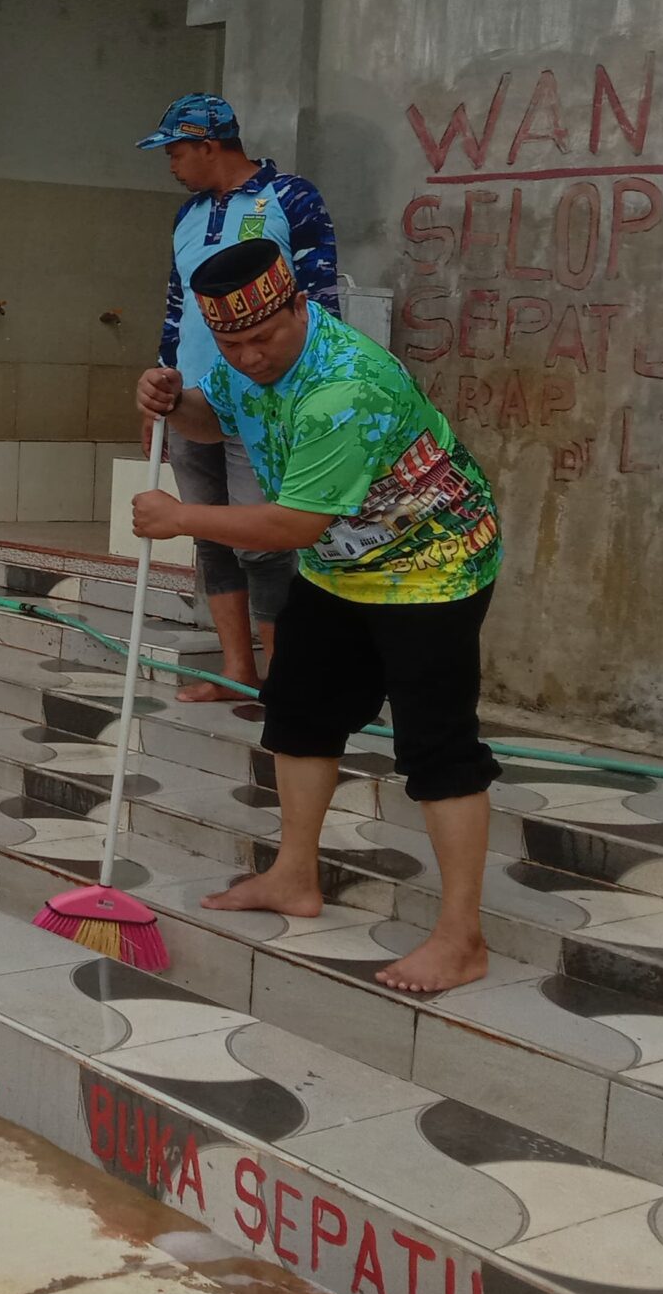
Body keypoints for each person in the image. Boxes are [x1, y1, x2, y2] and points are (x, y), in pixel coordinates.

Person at [131, 238, 501, 994]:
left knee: (437, 748)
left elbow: (290, 525)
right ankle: (294, 876)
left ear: (301, 307)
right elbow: (217, 421)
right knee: (298, 713)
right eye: (233, 344)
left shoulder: (346, 386)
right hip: (342, 568)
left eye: (264, 338)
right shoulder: (244, 364)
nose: (251, 356)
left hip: (433, 567)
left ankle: (462, 938)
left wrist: (180, 519)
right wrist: (176, 404)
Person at [138, 93, 340, 703]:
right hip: (192, 399)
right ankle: (236, 670)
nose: (170, 163)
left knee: (263, 539)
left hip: (263, 400)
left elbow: (319, 300)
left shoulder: (292, 198)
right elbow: (177, 310)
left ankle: (287, 679)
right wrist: (162, 387)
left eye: (176, 150)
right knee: (209, 534)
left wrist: (302, 397)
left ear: (209, 143)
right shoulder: (186, 216)